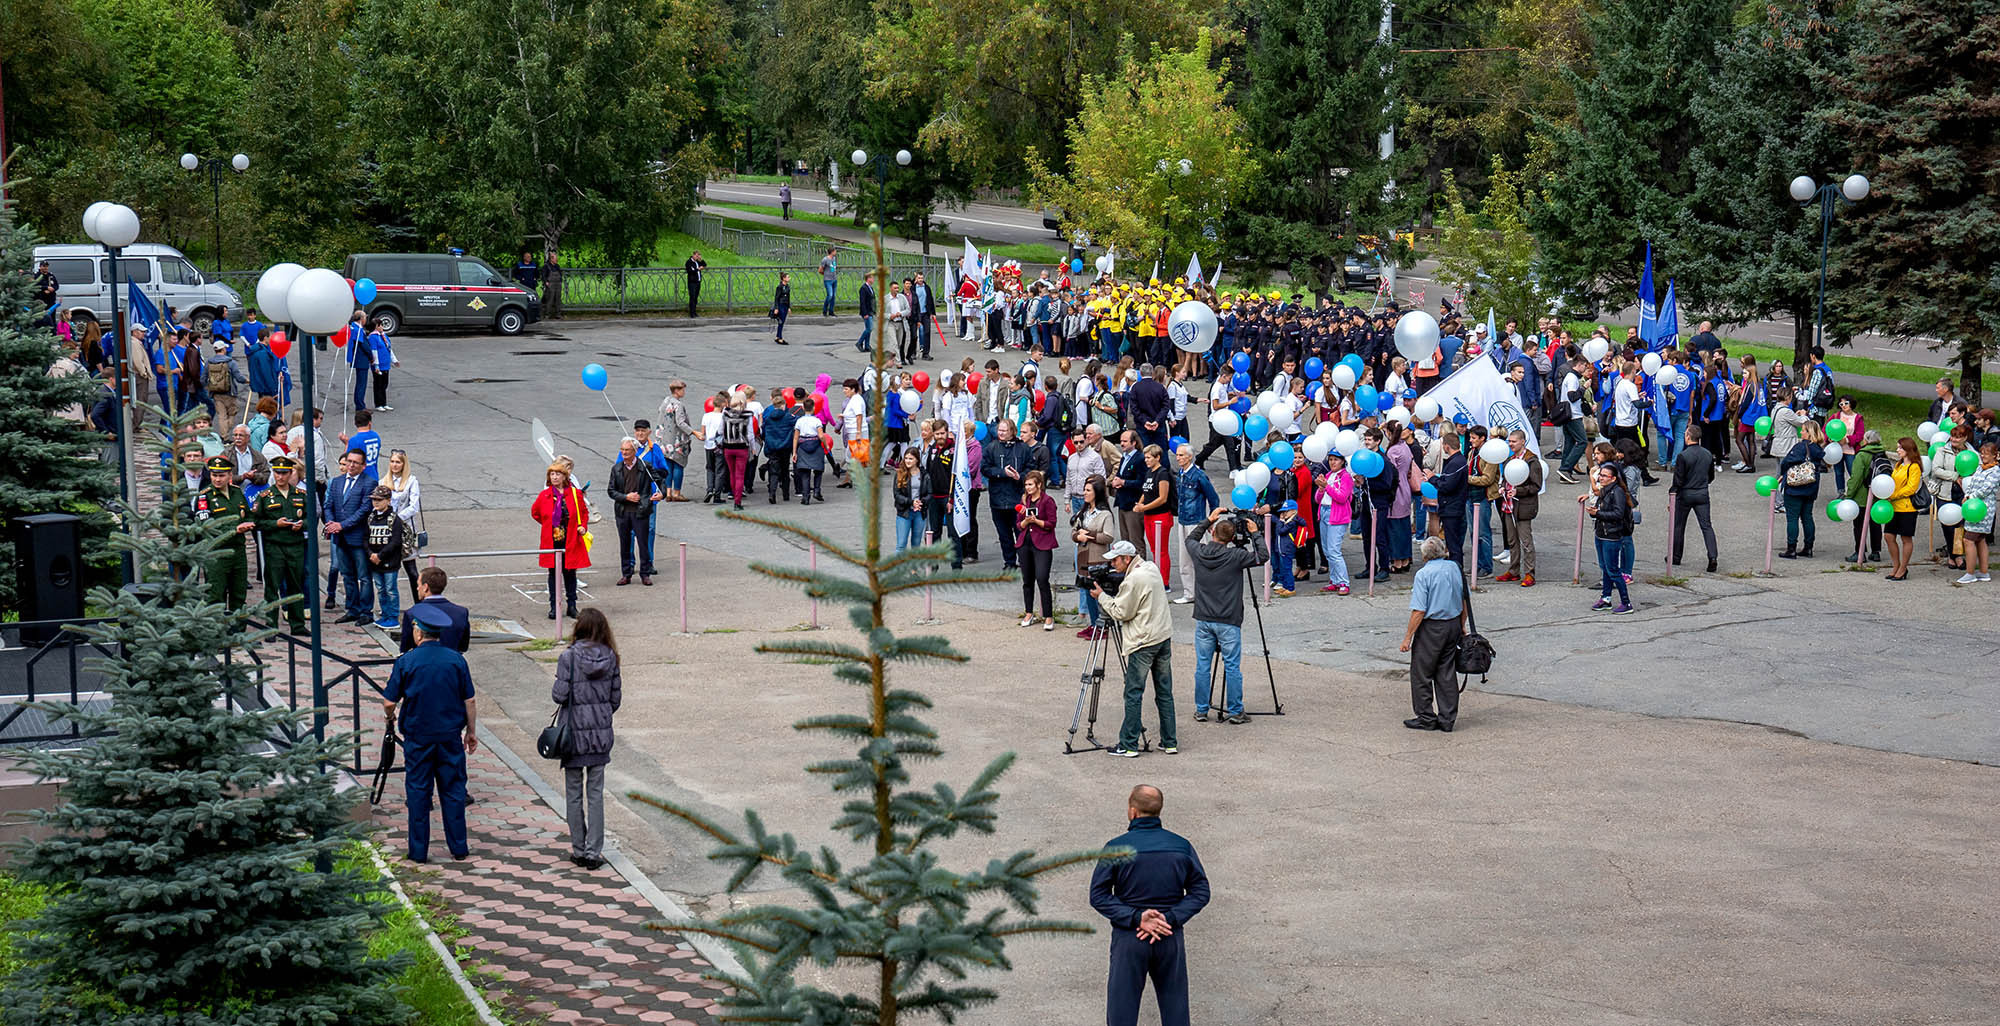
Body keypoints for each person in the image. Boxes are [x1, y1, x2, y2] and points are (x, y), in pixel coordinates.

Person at [1088, 784, 1209, 1026]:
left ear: (1133, 811)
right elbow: (1201, 891)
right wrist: (1170, 918)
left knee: (1122, 1009)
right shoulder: (1181, 846)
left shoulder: (1116, 848)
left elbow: (1098, 895)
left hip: (1130, 938)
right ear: (1159, 811)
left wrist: (1136, 917)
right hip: (1169, 935)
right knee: (1175, 1008)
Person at [381, 603, 476, 863]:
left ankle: (418, 851)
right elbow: (469, 700)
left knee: (418, 791)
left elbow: (389, 702)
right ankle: (459, 847)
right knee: (453, 790)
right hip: (449, 736)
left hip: (418, 738)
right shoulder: (456, 660)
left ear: (420, 633)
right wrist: (471, 732)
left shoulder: (406, 661)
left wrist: (390, 719)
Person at [1090, 540, 1175, 757]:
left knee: (1133, 692)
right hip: (1162, 636)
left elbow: (1121, 612)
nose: (1113, 566)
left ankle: (1128, 744)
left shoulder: (1133, 580)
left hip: (1143, 641)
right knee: (1164, 692)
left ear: (1127, 559)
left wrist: (1102, 597)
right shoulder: (1150, 567)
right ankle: (1169, 741)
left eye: (1116, 561)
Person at [552, 607, 621, 869]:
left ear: (578, 628)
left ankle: (578, 849)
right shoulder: (611, 657)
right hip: (600, 734)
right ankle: (594, 853)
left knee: (573, 793)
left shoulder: (568, 657)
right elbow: (615, 700)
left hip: (572, 735)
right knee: (595, 795)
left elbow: (559, 696)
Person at [1185, 509, 1267, 724]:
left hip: (1204, 617)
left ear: (1212, 533)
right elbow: (1263, 556)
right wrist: (1255, 533)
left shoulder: (1200, 552)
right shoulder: (1236, 556)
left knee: (1203, 665)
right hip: (1228, 619)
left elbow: (1190, 538)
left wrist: (1207, 519)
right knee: (1232, 666)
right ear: (1231, 539)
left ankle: (1201, 709)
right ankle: (1235, 710)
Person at [1398, 535, 1465, 732]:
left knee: (1422, 673)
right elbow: (1463, 599)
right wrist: (1462, 624)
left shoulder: (1424, 574)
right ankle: (1447, 718)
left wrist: (1408, 637)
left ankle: (1426, 716)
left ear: (1425, 556)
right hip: (1452, 622)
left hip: (1432, 627)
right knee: (1446, 671)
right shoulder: (1454, 568)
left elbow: (1419, 610)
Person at [252, 455, 311, 634]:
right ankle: (271, 626)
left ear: (290, 473)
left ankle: (297, 624)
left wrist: (302, 525)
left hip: (295, 545)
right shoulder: (265, 496)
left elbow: (310, 518)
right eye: (277, 473)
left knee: (296, 585)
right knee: (272, 588)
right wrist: (275, 524)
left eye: (284, 473)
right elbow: (257, 522)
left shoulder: (300, 495)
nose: (281, 477)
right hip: (274, 547)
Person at [324, 449, 379, 624]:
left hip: (357, 537)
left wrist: (342, 525)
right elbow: (328, 505)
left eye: (356, 462)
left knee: (363, 576)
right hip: (340, 538)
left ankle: (365, 612)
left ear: (363, 466)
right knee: (347, 575)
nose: (351, 465)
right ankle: (352, 609)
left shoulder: (369, 483)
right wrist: (331, 523)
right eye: (349, 461)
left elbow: (364, 510)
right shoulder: (336, 482)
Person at [532, 461, 592, 618]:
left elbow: (584, 513)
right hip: (552, 540)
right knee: (553, 573)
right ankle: (554, 606)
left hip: (571, 538)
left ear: (565, 476)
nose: (554, 477)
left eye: (557, 474)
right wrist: (547, 525)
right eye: (552, 474)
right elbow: (535, 512)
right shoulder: (544, 495)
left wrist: (582, 526)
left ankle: (572, 605)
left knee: (570, 573)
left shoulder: (574, 493)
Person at [195, 455, 254, 610]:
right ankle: (217, 632)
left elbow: (246, 513)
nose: (217, 479)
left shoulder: (237, 493)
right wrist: (234, 530)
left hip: (238, 551)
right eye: (214, 475)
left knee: (239, 593)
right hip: (216, 553)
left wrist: (250, 522)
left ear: (229, 475)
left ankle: (238, 629)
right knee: (215, 595)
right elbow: (206, 526)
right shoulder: (204, 496)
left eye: (221, 476)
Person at [609, 437, 662, 585]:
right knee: (625, 543)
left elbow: (659, 479)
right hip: (623, 511)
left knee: (643, 543)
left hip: (641, 510)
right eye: (622, 450)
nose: (624, 453)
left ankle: (645, 573)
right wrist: (626, 497)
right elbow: (611, 491)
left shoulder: (645, 466)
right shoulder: (616, 468)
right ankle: (626, 573)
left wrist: (662, 493)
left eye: (627, 450)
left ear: (635, 451)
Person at [1492, 430, 1541, 586]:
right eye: (1510, 441)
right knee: (1512, 540)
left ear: (1522, 442)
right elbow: (1505, 477)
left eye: (1514, 441)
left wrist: (1518, 491)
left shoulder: (1531, 460)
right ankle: (1513, 571)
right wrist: (1501, 487)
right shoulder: (1509, 459)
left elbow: (1536, 485)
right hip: (1508, 505)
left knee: (1526, 541)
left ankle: (1529, 573)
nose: (1510, 444)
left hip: (1523, 507)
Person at [1585, 464, 1636, 613]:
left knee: (1613, 570)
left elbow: (1618, 514)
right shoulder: (1604, 491)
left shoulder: (1617, 492)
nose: (1600, 477)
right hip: (1601, 533)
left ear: (1613, 478)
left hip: (1612, 536)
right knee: (1606, 569)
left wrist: (1598, 514)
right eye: (1600, 475)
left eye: (1604, 476)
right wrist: (1594, 512)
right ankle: (1606, 598)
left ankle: (1626, 603)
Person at [1071, 475, 1117, 637]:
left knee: (1098, 593)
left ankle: (1102, 626)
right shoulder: (1084, 512)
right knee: (1088, 591)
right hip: (1083, 556)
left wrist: (1088, 534)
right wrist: (1078, 536)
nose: (1084, 493)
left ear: (1096, 493)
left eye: (1088, 490)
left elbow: (1108, 536)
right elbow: (1074, 532)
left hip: (1097, 558)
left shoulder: (1105, 514)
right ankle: (1093, 624)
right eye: (1084, 489)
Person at [1669, 425, 1718, 572]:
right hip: (1702, 493)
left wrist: (1672, 495)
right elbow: (1711, 476)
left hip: (1685, 494)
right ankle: (1713, 556)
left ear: (1688, 437)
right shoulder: (1708, 454)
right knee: (1706, 526)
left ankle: (1676, 556)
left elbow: (1678, 480)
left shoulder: (1683, 456)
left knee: (1679, 526)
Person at [1015, 470, 1060, 629]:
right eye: (1026, 485)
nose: (1027, 488)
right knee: (1027, 580)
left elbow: (1051, 524)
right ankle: (1028, 612)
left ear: (1039, 485)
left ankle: (1048, 616)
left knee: (1042, 578)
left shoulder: (1048, 501)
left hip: (1042, 544)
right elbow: (1018, 525)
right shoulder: (1024, 500)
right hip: (1025, 543)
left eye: (1030, 484)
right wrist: (1026, 522)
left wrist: (1037, 521)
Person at [1777, 421, 1827, 559]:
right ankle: (1808, 547)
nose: (1801, 432)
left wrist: (1782, 474)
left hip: (1795, 488)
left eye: (1804, 430)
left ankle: (1791, 548)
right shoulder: (1817, 449)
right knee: (1807, 517)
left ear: (1809, 432)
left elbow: (1786, 462)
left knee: (1792, 518)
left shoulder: (1800, 447)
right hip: (1811, 488)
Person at [399, 566, 472, 654]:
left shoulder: (412, 614)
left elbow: (405, 649)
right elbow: (463, 647)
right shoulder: (461, 612)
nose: (417, 588)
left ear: (425, 587)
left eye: (418, 585)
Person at [363, 484, 407, 629]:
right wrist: (371, 554)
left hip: (390, 562)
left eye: (379, 500)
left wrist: (380, 555)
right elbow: (365, 539)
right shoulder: (371, 518)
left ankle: (393, 616)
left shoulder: (394, 519)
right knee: (381, 589)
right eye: (374, 499)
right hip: (375, 562)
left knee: (390, 589)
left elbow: (395, 541)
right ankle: (385, 614)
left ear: (388, 500)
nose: (376, 502)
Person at [1883, 437, 1925, 581]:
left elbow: (1911, 488)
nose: (1897, 450)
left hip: (1907, 508)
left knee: (1906, 538)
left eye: (1900, 448)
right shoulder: (1899, 465)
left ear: (1908, 450)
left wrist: (1894, 495)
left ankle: (1903, 568)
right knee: (1888, 536)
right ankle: (1896, 565)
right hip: (1893, 507)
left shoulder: (1914, 467)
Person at [1845, 430, 1888, 564]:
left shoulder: (1862, 455)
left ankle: (1860, 552)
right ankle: (1876, 552)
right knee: (1875, 524)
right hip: (1878, 495)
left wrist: (1849, 495)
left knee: (1858, 525)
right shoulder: (1883, 453)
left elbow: (1856, 478)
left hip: (1862, 497)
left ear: (1866, 440)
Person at [383, 448, 424, 593]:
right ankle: (389, 608)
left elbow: (414, 507)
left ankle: (420, 604)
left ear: (404, 464)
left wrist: (396, 518)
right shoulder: (383, 481)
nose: (394, 465)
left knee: (412, 571)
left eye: (398, 462)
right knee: (388, 574)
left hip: (405, 531)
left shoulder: (412, 481)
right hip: (388, 531)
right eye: (392, 461)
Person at [1315, 452, 1355, 594]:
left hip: (1337, 514)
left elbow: (1342, 497)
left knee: (1334, 550)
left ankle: (1344, 582)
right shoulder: (1328, 475)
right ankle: (1335, 580)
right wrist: (1320, 489)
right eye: (1330, 459)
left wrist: (1327, 487)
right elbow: (1318, 499)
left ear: (1342, 461)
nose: (1332, 462)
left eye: (1336, 460)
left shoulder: (1346, 477)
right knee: (1327, 550)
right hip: (1325, 512)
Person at [1959, 442, 1997, 584]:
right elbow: (1972, 484)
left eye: (1986, 453)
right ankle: (1983, 572)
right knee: (1980, 540)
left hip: (1982, 510)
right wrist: (1967, 494)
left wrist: (1970, 497)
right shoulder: (1980, 468)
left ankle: (1970, 573)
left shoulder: (1995, 471)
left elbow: (1986, 489)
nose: (1983, 456)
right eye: (1982, 453)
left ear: (1994, 455)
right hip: (1972, 508)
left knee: (1968, 540)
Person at [653, 386, 696, 502]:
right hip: (677, 440)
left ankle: (668, 492)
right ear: (677, 391)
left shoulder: (665, 401)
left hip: (664, 439)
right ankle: (676, 493)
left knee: (668, 465)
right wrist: (694, 432)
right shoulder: (678, 405)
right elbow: (680, 422)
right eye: (682, 389)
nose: (684, 392)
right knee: (678, 465)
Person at [717, 397, 754, 509]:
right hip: (741, 447)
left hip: (728, 447)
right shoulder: (747, 415)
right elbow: (750, 434)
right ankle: (737, 502)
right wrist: (753, 448)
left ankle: (733, 494)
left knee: (732, 473)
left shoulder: (725, 414)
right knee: (740, 475)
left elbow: (719, 431)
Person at [856, 272, 876, 353]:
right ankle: (859, 342)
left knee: (869, 329)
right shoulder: (863, 288)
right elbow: (862, 302)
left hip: (871, 311)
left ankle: (867, 346)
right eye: (872, 278)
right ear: (868, 279)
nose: (874, 279)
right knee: (869, 328)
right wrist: (865, 313)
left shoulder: (870, 288)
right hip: (866, 312)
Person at [542, 250, 564, 320]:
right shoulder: (546, 266)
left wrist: (560, 281)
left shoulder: (557, 266)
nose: (556, 260)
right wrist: (546, 282)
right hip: (550, 284)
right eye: (555, 258)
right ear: (551, 259)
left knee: (558, 300)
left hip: (558, 284)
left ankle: (558, 314)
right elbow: (543, 275)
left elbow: (560, 274)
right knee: (550, 300)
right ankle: (547, 314)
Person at [771, 272, 792, 346]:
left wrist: (789, 307)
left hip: (785, 306)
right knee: (781, 322)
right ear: (784, 278)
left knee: (782, 322)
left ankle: (777, 337)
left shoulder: (788, 287)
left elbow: (788, 298)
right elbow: (776, 298)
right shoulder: (779, 287)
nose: (789, 278)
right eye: (788, 277)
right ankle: (780, 338)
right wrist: (776, 308)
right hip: (780, 305)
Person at [684, 250, 706, 317]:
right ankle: (691, 313)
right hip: (692, 283)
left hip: (698, 282)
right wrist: (698, 269)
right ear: (693, 255)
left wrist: (701, 259)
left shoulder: (697, 262)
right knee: (692, 297)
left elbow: (704, 264)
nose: (697, 257)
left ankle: (695, 312)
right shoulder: (689, 262)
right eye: (696, 256)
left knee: (696, 298)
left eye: (698, 256)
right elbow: (690, 271)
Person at [819, 247, 838, 316]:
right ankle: (824, 310)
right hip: (828, 280)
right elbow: (820, 270)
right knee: (830, 295)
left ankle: (831, 311)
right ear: (832, 252)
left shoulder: (834, 259)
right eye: (835, 251)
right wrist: (826, 274)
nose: (836, 252)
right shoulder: (825, 259)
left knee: (833, 296)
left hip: (834, 279)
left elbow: (833, 268)